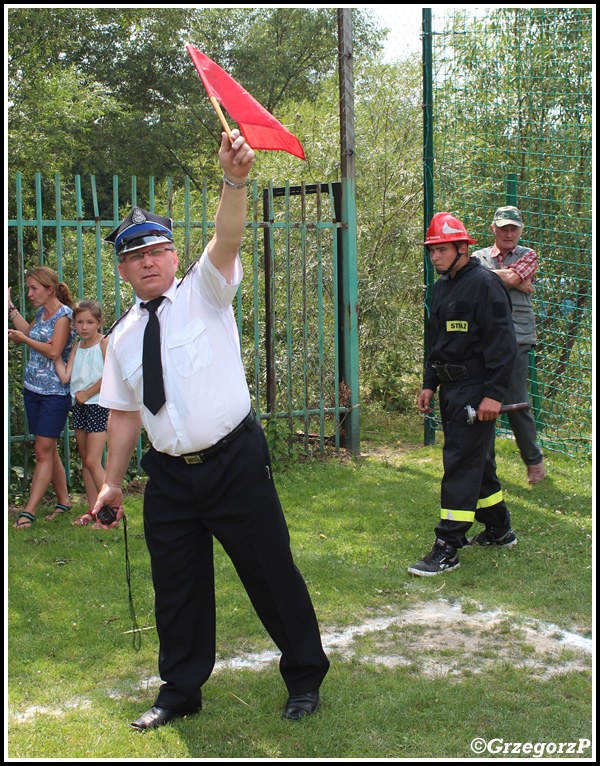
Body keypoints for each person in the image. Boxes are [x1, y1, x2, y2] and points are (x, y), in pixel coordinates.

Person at [92, 129, 329, 730]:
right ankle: (180, 691)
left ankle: (304, 676)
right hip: (169, 477)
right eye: (135, 255)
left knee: (270, 572)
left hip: (234, 463)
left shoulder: (205, 291)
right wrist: (111, 484)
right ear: (122, 268)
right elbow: (124, 415)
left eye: (157, 250)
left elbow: (228, 236)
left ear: (173, 256)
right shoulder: (119, 338)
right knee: (176, 589)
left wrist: (235, 180)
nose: (148, 261)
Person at [408, 213, 517, 576]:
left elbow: (503, 345)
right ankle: (499, 529)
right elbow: (436, 341)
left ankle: (448, 545)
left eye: (440, 249)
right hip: (449, 389)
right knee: (477, 461)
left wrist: (494, 395)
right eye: (431, 250)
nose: (434, 257)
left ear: (462, 248)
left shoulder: (487, 285)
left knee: (459, 462)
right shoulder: (441, 288)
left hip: (476, 390)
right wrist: (429, 383)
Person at [471, 205, 545, 484]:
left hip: (518, 338)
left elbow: (503, 277)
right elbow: (481, 281)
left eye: (514, 228)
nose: (509, 233)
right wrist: (511, 281)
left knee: (516, 401)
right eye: (503, 228)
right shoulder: (478, 257)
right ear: (493, 229)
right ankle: (484, 466)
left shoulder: (527, 255)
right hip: (482, 340)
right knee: (481, 403)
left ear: (520, 231)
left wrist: (494, 278)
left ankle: (534, 462)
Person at [8, 268, 76, 529]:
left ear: (50, 289)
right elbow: (27, 331)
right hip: (33, 390)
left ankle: (28, 512)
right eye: (28, 288)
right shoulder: (42, 313)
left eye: (34, 288)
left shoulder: (64, 317)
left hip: (54, 395)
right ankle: (64, 501)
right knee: (46, 449)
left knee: (42, 452)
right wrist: (10, 308)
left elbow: (54, 350)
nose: (29, 293)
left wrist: (24, 339)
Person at [54, 300, 110, 526]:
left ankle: (111, 510)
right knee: (86, 462)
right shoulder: (77, 347)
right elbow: (66, 376)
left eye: (89, 322)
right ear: (74, 324)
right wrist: (55, 354)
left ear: (99, 322)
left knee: (93, 460)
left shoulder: (103, 343)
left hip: (97, 405)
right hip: (80, 406)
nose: (84, 327)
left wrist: (88, 393)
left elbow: (111, 376)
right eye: (79, 322)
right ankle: (92, 509)